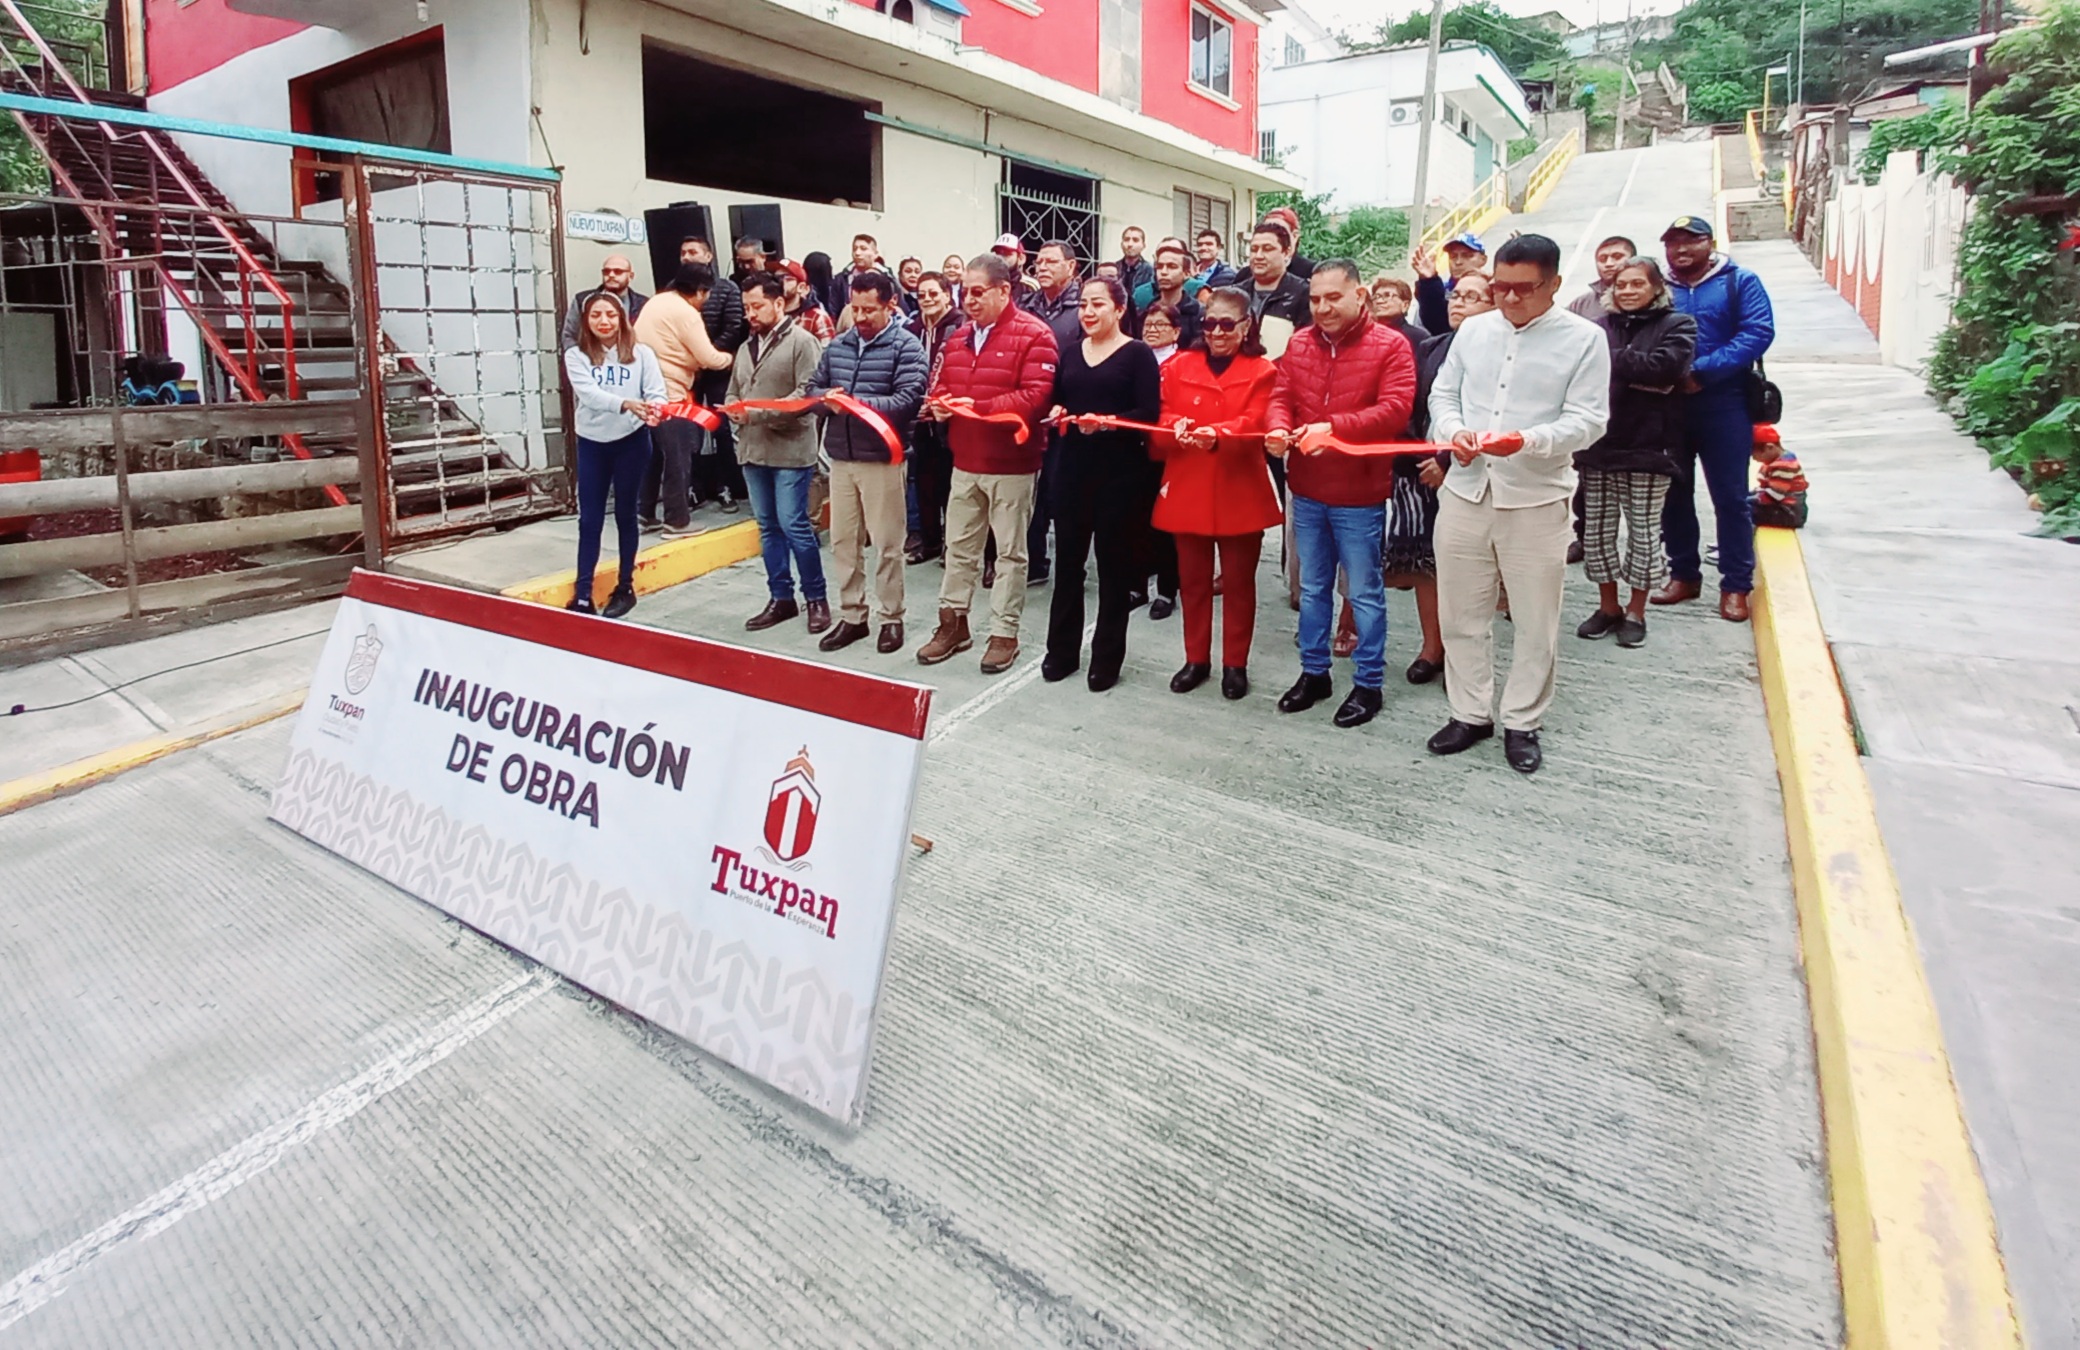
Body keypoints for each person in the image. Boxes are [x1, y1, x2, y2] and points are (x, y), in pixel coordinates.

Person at [1426, 234, 1610, 775]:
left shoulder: (1583, 340)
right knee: (1460, 612)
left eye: (1523, 290)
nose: (1508, 300)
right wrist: (1454, 431)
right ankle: (1470, 711)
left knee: (1534, 620)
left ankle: (1523, 720)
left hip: (1534, 497)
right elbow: (1444, 393)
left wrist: (1527, 441)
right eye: (1499, 288)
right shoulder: (1475, 331)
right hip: (1465, 489)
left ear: (1553, 284)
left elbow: (1589, 420)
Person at [1266, 258, 1417, 729]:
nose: (1323, 308)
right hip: (1307, 488)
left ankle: (1368, 683)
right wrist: (1277, 429)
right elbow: (1280, 395)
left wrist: (1333, 429)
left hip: (1359, 494)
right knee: (1312, 590)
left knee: (1366, 593)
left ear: (1360, 295)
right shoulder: (1299, 342)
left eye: (1334, 297)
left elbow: (1395, 410)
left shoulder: (1391, 346)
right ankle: (1315, 674)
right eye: (1315, 299)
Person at [916, 252, 1060, 674]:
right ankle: (953, 624)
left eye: (978, 292)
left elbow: (1036, 397)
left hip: (1013, 465)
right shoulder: (957, 338)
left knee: (1011, 555)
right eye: (964, 292)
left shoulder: (1036, 335)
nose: (969, 300)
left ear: (1004, 291)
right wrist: (940, 406)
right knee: (958, 548)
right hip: (966, 461)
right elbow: (940, 385)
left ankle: (1004, 633)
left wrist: (973, 405)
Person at [1152, 288, 1281, 699]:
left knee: (1240, 584)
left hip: (1238, 487)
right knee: (1192, 582)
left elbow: (1256, 421)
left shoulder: (1263, 370)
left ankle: (1235, 664)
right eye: (1210, 323)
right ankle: (1196, 659)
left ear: (1246, 327)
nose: (1217, 332)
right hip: (1188, 481)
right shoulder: (1179, 364)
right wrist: (1174, 425)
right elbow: (1162, 410)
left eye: (1228, 324)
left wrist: (1219, 434)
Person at [1041, 276, 1164, 691]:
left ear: (1118, 309)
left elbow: (1148, 414)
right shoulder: (1072, 352)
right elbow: (1060, 397)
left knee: (1114, 570)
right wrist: (1059, 410)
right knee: (1068, 567)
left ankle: (1106, 659)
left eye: (1097, 305)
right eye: (1084, 305)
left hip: (1120, 476)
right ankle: (1061, 652)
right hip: (1072, 470)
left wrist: (1111, 424)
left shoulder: (1138, 354)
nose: (1089, 313)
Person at [1653, 214, 1775, 623]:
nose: (1681, 250)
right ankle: (1684, 573)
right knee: (1674, 492)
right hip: (1670, 404)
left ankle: (1736, 585)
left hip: (1724, 402)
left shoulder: (1740, 281)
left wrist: (1703, 371)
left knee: (1730, 498)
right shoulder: (1661, 286)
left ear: (1709, 243)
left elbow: (1757, 332)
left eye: (1691, 241)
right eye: (1673, 243)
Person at [1575, 257, 1695, 649]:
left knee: (1642, 535)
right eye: (1621, 284)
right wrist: (1636, 373)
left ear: (1656, 288)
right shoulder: (1598, 326)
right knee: (1596, 534)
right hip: (1598, 445)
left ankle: (1636, 612)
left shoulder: (1678, 324)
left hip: (1650, 446)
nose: (1627, 291)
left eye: (1637, 284)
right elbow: (1582, 375)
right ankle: (1607, 607)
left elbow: (1665, 369)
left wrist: (1609, 360)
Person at [809, 270, 930, 654]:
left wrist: (857, 404)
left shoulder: (906, 347)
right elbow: (813, 387)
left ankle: (891, 617)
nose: (860, 318)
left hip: (882, 458)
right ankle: (853, 615)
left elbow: (909, 399)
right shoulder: (838, 346)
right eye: (854, 308)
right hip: (842, 459)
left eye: (869, 310)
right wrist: (825, 398)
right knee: (844, 542)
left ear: (890, 305)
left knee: (887, 545)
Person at [1390, 272, 1496, 685]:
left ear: (1492, 305)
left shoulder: (1499, 352)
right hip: (1419, 472)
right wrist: (1418, 456)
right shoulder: (1432, 346)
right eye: (1457, 295)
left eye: (1473, 297)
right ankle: (1431, 647)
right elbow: (1420, 407)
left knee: (1469, 573)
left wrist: (1447, 461)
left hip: (1470, 474)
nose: (1459, 303)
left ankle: (1465, 659)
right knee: (1424, 565)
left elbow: (1487, 418)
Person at [728, 273, 831, 636]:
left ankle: (816, 598)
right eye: (746, 308)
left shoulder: (803, 342)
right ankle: (780, 597)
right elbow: (733, 390)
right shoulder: (746, 347)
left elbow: (806, 395)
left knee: (795, 526)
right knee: (768, 528)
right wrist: (733, 409)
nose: (750, 314)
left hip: (790, 450)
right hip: (753, 449)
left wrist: (755, 412)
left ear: (777, 303)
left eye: (756, 306)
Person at [563, 292, 665, 619]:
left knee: (625, 514)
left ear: (622, 318)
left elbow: (655, 392)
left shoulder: (642, 354)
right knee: (589, 519)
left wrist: (655, 411)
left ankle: (624, 586)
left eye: (610, 314)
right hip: (592, 443)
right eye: (595, 316)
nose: (603, 321)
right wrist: (625, 403)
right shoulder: (576, 355)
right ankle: (582, 594)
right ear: (586, 321)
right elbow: (589, 395)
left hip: (632, 442)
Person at [632, 262, 732, 534]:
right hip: (672, 393)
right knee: (679, 456)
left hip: (646, 391)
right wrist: (731, 358)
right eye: (707, 292)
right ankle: (676, 520)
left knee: (653, 457)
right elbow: (708, 357)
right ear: (700, 291)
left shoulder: (657, 302)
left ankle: (644, 512)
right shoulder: (686, 313)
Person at [681, 237, 748, 513]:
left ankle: (725, 487)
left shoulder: (727, 288)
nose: (687, 256)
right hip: (689, 372)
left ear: (708, 256)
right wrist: (693, 361)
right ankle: (694, 487)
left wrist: (707, 356)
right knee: (689, 430)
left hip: (719, 370)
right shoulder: (674, 292)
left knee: (721, 430)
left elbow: (734, 326)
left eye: (693, 252)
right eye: (683, 252)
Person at [905, 272, 963, 564]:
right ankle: (929, 542)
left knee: (950, 486)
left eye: (933, 294)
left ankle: (952, 548)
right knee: (923, 482)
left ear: (947, 295)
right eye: (921, 295)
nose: (927, 299)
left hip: (948, 417)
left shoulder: (960, 325)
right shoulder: (912, 328)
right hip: (918, 416)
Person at [1245, 219, 1311, 360]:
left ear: (1286, 252)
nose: (1258, 256)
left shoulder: (1304, 294)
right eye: (1254, 249)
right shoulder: (1236, 295)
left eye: (1267, 249)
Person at [560, 255, 647, 349]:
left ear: (631, 276)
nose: (611, 275)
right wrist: (582, 359)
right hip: (591, 360)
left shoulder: (643, 304)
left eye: (618, 271)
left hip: (631, 359)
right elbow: (569, 336)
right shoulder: (582, 300)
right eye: (606, 271)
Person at [1130, 242, 1204, 349]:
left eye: (1172, 267)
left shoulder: (1198, 313)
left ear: (1186, 273)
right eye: (1159, 267)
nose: (1163, 272)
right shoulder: (1145, 312)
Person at [1411, 233, 1487, 334]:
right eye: (1453, 256)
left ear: (1483, 260)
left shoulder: (1493, 289)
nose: (1458, 262)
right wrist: (1428, 282)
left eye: (1467, 256)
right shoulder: (1435, 290)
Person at [1568, 235, 1638, 319]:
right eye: (1602, 259)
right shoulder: (1581, 305)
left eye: (1617, 257)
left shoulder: (1648, 298)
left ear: (1634, 260)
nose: (1609, 264)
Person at [778, 259, 835, 341]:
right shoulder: (769, 315)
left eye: (788, 278)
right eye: (776, 277)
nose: (780, 282)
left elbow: (827, 351)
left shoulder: (816, 317)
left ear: (802, 287)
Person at [1370, 275, 1428, 349]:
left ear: (1405, 305)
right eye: (1376, 297)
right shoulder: (1365, 336)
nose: (1379, 301)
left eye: (1387, 295)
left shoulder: (1419, 337)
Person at [1261, 206, 1314, 280]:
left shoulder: (1312, 272)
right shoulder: (1248, 274)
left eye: (1279, 232)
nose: (1272, 237)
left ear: (1295, 236)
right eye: (1266, 231)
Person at [1113, 226, 1155, 298]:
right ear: (1121, 244)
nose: (1130, 244)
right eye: (1126, 240)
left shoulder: (1150, 270)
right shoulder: (1114, 269)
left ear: (1143, 245)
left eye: (1135, 240)